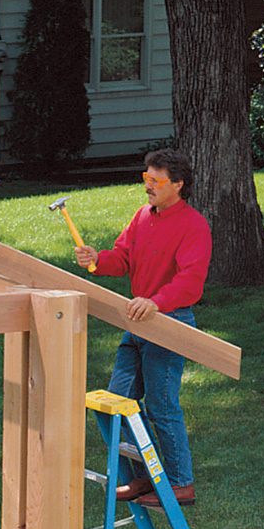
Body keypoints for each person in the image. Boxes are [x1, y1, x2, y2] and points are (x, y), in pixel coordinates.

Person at [75, 149, 209, 507]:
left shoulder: (193, 225)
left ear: (178, 185)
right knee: (116, 403)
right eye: (145, 179)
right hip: (136, 322)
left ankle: (181, 484)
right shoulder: (142, 217)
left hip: (168, 322)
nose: (147, 186)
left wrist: (157, 301)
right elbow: (122, 258)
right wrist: (97, 259)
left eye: (156, 181)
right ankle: (142, 477)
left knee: (161, 407)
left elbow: (191, 282)